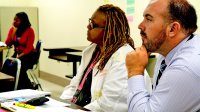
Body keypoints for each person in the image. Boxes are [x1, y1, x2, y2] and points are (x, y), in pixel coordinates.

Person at [60, 4, 152, 112]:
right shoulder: (91, 51)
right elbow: (75, 86)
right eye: (90, 22)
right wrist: (61, 105)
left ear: (110, 30)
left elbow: (108, 105)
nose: (88, 27)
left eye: (92, 24)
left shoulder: (123, 58)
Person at [126, 0, 200, 111]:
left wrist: (135, 70)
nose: (140, 25)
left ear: (172, 29)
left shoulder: (185, 67)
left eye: (148, 19)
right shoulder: (167, 52)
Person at [5, 12, 37, 89]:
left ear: (23, 21)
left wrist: (17, 58)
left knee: (19, 67)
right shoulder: (13, 30)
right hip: (18, 54)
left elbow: (29, 48)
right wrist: (12, 32)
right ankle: (9, 87)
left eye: (17, 20)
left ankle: (28, 87)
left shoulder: (30, 30)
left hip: (28, 55)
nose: (14, 22)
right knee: (7, 65)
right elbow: (8, 43)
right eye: (14, 19)